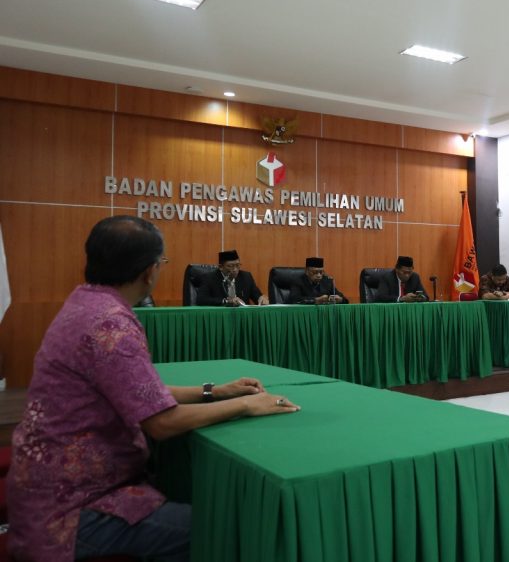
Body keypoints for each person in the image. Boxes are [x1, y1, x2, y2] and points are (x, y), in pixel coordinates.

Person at [6, 216, 300, 562]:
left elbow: (138, 389)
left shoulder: (85, 303)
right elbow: (162, 423)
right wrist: (247, 406)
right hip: (72, 512)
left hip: (48, 492)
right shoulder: (111, 324)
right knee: (233, 532)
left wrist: (216, 391)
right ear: (149, 271)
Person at [196, 249, 269, 306]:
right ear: (221, 267)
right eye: (230, 266)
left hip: (242, 316)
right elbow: (201, 300)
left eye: (238, 265)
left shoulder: (246, 277)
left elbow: (258, 297)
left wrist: (262, 299)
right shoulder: (209, 278)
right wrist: (226, 301)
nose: (235, 269)